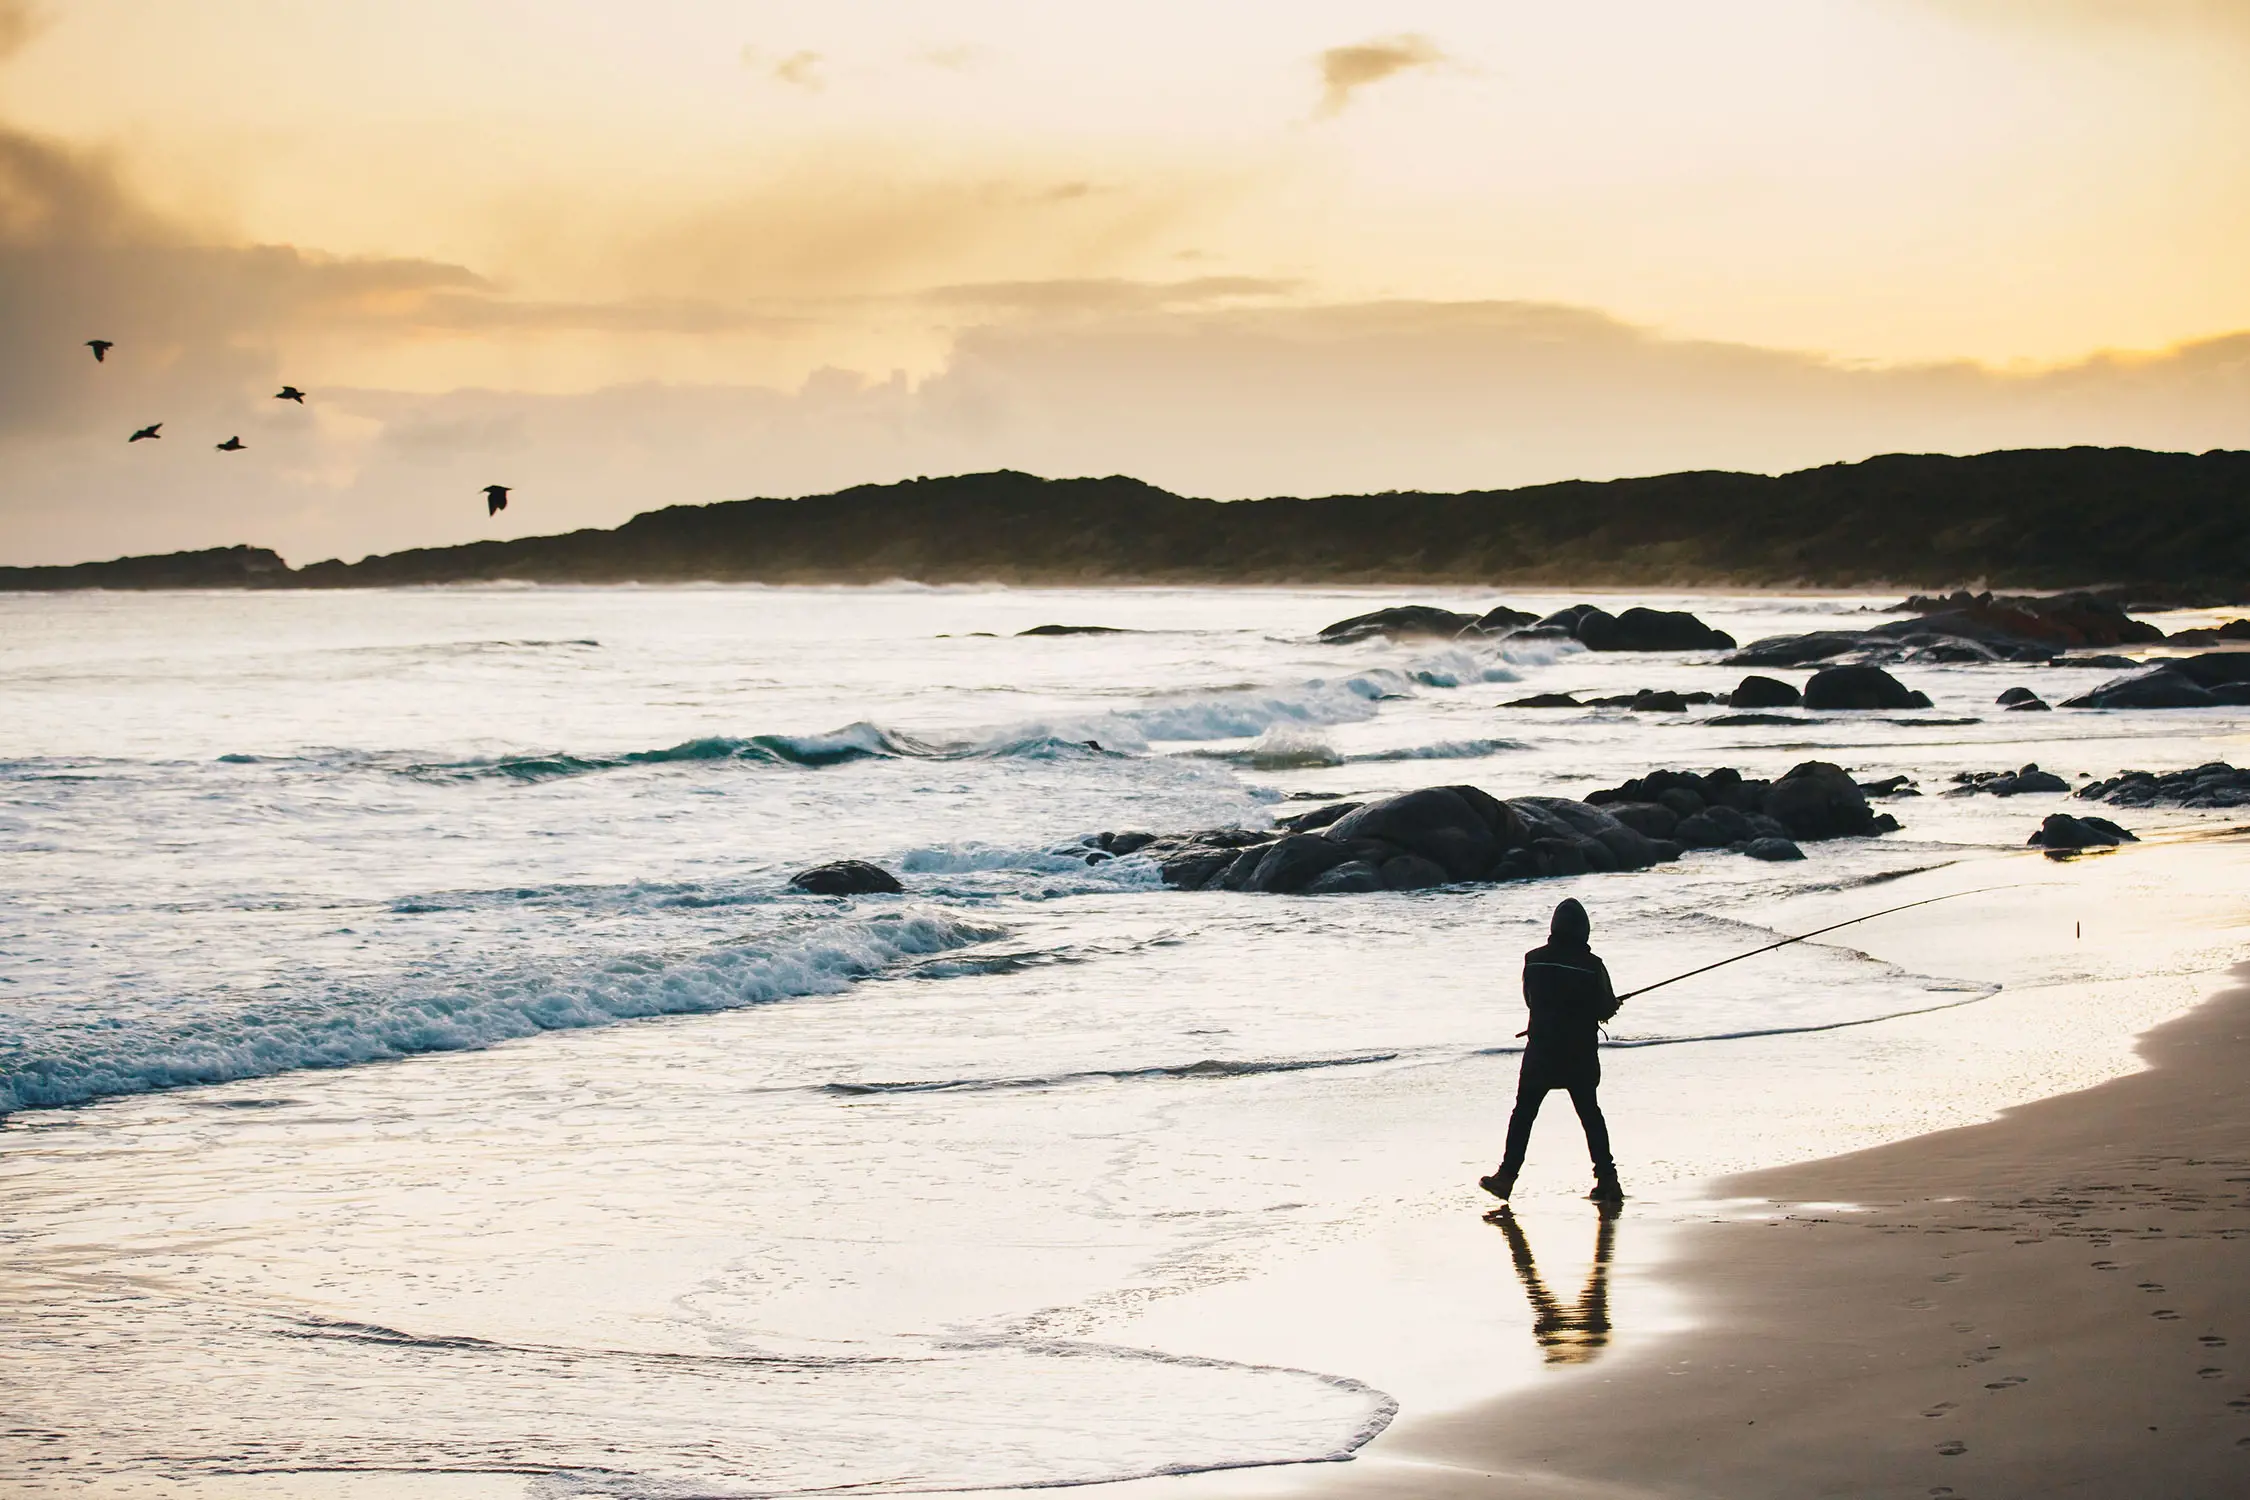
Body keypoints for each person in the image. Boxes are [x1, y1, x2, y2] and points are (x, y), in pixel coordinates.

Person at [1480, 898, 1623, 1203]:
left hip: (1541, 1053)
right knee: (1590, 1115)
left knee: (1524, 1113)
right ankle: (1608, 1181)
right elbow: (1604, 1008)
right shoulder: (1592, 966)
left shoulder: (1533, 960)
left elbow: (1530, 1001)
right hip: (1579, 1056)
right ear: (1584, 930)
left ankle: (1506, 1177)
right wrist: (1611, 1006)